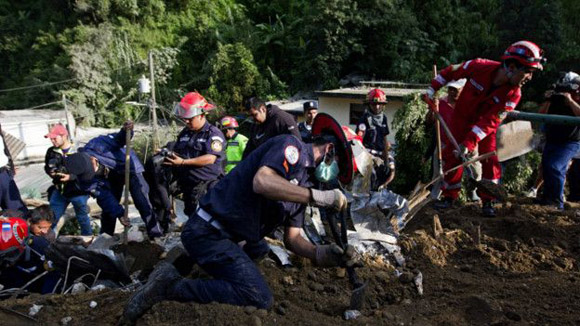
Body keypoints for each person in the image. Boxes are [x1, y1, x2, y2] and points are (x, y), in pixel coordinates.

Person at [121, 113, 360, 323]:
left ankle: (207, 269)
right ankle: (171, 287)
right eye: (339, 164)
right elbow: (263, 182)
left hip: (231, 235)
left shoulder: (306, 183)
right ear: (329, 151)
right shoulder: (292, 148)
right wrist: (316, 197)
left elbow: (293, 238)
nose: (335, 175)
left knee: (259, 248)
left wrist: (322, 253)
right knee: (258, 297)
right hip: (208, 231)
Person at [423, 40, 545, 217]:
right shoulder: (478, 66)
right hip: (461, 120)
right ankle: (449, 197)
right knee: (452, 155)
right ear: (511, 67)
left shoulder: (513, 94)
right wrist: (431, 91)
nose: (530, 77)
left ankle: (488, 200)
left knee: (490, 160)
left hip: (485, 129)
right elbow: (450, 72)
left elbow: (490, 121)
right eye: (528, 71)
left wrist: (470, 142)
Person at [64, 122, 163, 238]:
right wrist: (120, 214)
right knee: (108, 211)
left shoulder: (97, 145)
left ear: (93, 159)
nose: (93, 174)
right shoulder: (84, 179)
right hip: (111, 178)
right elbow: (104, 197)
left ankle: (156, 235)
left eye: (93, 170)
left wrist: (126, 131)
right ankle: (106, 238)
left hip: (128, 167)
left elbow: (119, 140)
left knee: (142, 201)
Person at [163, 92, 226, 216]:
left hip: (206, 186)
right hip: (188, 186)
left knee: (205, 220)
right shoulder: (185, 133)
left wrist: (183, 162)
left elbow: (210, 158)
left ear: (201, 115)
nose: (186, 121)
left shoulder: (213, 134)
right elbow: (179, 151)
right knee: (191, 215)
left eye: (190, 119)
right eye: (184, 119)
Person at [536, 72, 580, 210]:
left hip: (571, 141)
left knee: (555, 167)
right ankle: (547, 198)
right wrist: (548, 99)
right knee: (547, 168)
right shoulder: (555, 98)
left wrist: (571, 101)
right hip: (553, 138)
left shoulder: (576, 99)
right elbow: (540, 115)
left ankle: (556, 201)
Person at [44, 124, 92, 236]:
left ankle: (88, 242)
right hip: (60, 191)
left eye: (54, 138)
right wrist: (51, 173)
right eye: (51, 138)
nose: (52, 141)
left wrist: (71, 177)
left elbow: (88, 171)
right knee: (51, 218)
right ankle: (46, 242)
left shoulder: (79, 150)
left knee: (83, 219)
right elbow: (47, 167)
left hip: (78, 191)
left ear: (64, 136)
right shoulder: (51, 151)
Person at [0, 206, 59, 294]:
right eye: (40, 227)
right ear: (29, 221)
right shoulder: (12, 218)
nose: (45, 231)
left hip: (24, 268)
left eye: (47, 227)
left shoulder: (46, 237)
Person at [356, 88, 392, 190]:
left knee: (386, 174)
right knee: (369, 179)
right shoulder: (364, 119)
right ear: (369, 104)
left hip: (380, 155)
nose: (377, 107)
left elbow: (385, 139)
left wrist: (386, 159)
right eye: (374, 104)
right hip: (367, 156)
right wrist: (369, 158)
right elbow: (358, 141)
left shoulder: (384, 118)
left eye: (379, 104)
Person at [0, 121, 27, 215]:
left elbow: (5, 152)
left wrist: (10, 168)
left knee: (17, 210)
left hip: (4, 174)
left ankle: (21, 228)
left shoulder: (1, 134)